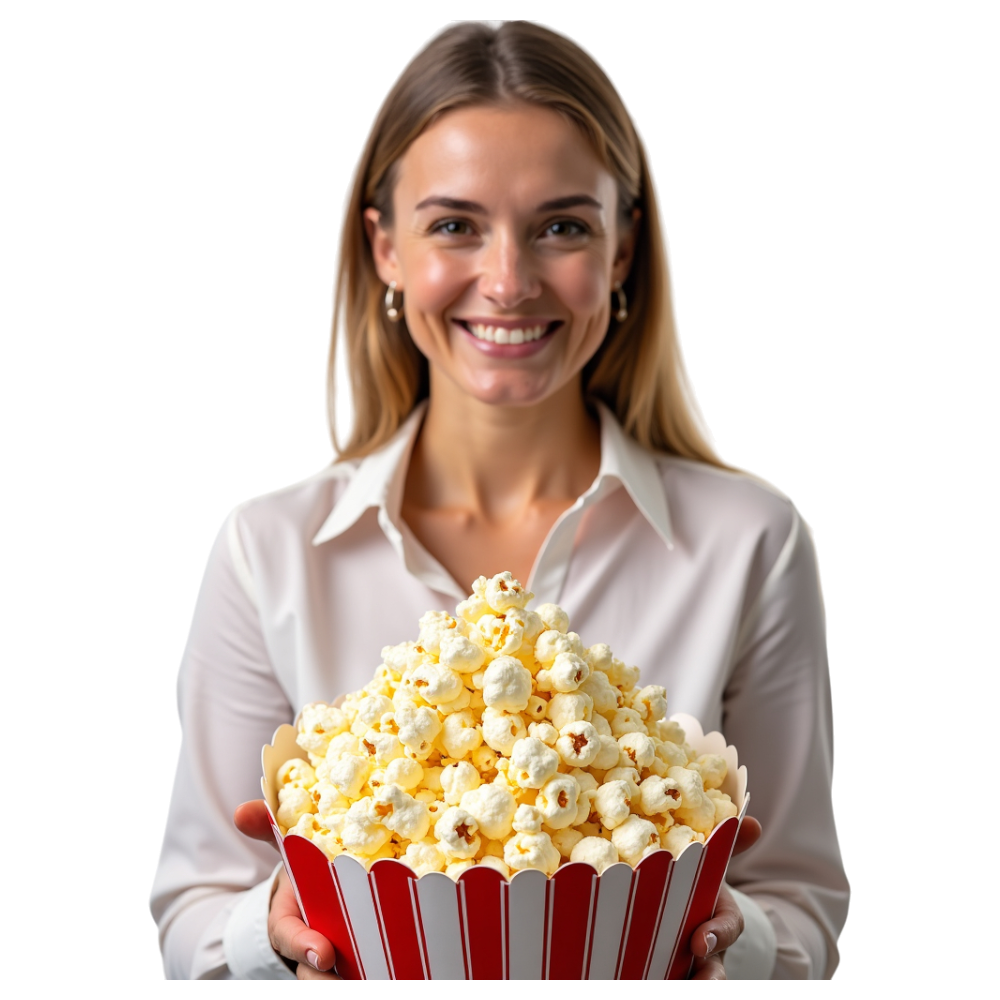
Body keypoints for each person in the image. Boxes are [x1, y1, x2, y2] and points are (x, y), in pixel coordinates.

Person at [150, 19, 848, 980]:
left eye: (563, 225)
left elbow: (801, 901)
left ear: (624, 248)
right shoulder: (268, 549)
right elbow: (194, 911)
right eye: (454, 225)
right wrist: (271, 932)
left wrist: (730, 941)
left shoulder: (753, 540)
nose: (509, 281)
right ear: (384, 246)